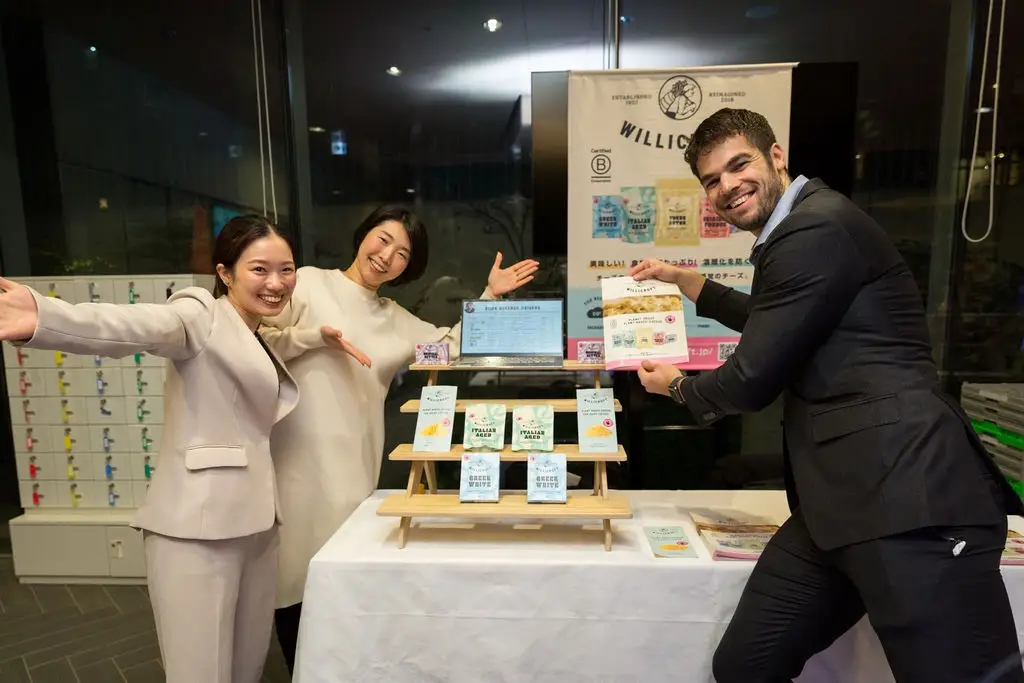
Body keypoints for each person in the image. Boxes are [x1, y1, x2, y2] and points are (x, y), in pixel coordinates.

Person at [632, 108, 1024, 682]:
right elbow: (781, 318)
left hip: (908, 500)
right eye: (711, 180)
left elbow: (750, 380)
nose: (727, 187)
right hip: (836, 508)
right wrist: (690, 283)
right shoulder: (802, 230)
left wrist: (680, 386)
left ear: (776, 156)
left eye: (738, 165)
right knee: (748, 664)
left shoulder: (815, 228)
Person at [0, 216, 365, 683]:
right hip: (196, 529)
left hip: (255, 528)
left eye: (286, 269)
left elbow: (276, 347)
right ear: (225, 272)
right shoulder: (200, 314)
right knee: (201, 672)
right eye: (259, 269)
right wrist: (46, 317)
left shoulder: (254, 331)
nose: (276, 283)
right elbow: (137, 326)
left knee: (245, 667)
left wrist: (318, 336)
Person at [258, 204, 540, 672]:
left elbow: (447, 347)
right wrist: (314, 338)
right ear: (364, 234)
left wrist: (490, 296)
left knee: (343, 581)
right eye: (383, 239)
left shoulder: (395, 318)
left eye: (403, 254)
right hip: (293, 462)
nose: (387, 256)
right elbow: (261, 336)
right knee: (291, 583)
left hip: (356, 471)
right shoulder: (308, 282)